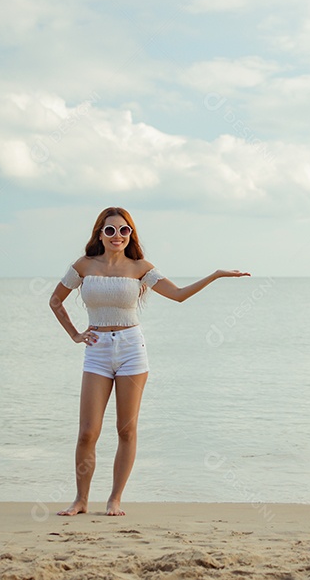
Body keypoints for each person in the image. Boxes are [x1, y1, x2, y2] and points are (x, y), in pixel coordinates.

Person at [49, 207, 249, 516]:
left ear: (131, 235)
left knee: (126, 430)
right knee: (88, 431)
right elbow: (55, 300)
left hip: (131, 349)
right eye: (110, 230)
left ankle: (114, 499)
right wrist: (75, 334)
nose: (117, 236)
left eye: (124, 230)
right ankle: (80, 500)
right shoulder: (83, 265)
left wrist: (216, 274)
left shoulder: (141, 267)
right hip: (97, 349)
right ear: (100, 234)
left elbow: (179, 295)